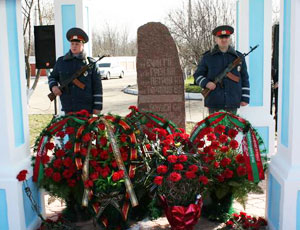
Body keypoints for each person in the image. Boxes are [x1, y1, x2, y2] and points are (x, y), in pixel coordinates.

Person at [193, 25, 250, 115]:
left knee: (230, 129)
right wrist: (206, 83)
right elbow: (197, 75)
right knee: (215, 129)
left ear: (229, 39)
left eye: (226, 37)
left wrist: (245, 98)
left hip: (233, 101)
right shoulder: (208, 57)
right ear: (216, 39)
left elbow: (244, 77)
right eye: (220, 37)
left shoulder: (239, 57)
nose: (224, 40)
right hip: (214, 101)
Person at [48, 27, 102, 115]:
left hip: (87, 109)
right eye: (72, 44)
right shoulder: (61, 61)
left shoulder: (91, 64)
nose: (74, 46)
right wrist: (54, 87)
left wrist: (97, 108)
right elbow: (52, 77)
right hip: (68, 106)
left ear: (82, 45)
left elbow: (97, 87)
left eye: (77, 44)